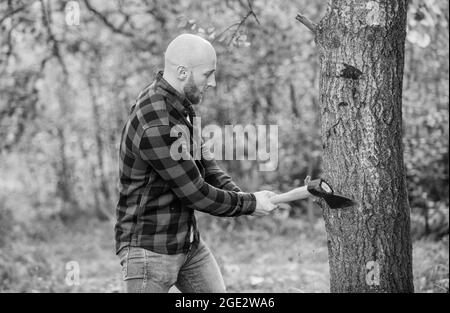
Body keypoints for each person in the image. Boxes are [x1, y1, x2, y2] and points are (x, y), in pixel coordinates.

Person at [115, 33, 278, 293]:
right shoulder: (157, 121)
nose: (213, 82)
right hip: (149, 250)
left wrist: (243, 196)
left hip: (187, 244)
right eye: (207, 74)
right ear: (182, 72)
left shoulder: (178, 105)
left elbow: (206, 164)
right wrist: (249, 204)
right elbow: (196, 194)